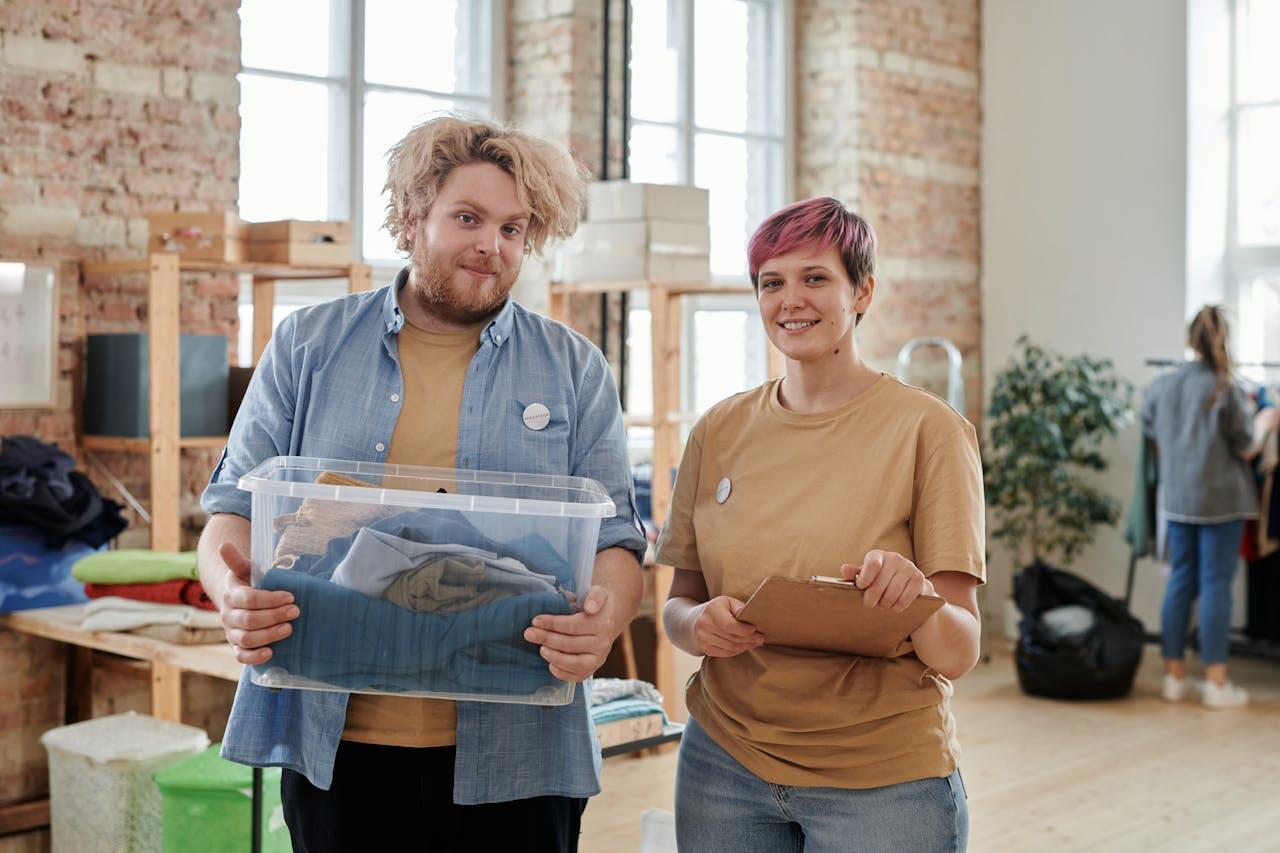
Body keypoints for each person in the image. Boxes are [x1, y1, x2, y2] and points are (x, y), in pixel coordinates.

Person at [197, 115, 646, 852]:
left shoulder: (574, 368)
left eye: (512, 227)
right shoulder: (308, 346)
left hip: (519, 751)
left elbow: (620, 543)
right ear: (411, 217)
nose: (490, 244)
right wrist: (230, 591)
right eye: (467, 217)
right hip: (338, 744)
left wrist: (604, 618)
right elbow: (231, 515)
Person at [657, 197, 985, 852]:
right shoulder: (718, 429)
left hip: (883, 783)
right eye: (770, 282)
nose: (790, 300)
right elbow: (676, 606)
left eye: (815, 277)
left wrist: (915, 599)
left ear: (861, 291)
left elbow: (960, 648)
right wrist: (700, 624)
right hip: (723, 764)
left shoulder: (929, 431)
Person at [1142, 305, 1277, 709]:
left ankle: (1174, 676)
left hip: (1178, 499)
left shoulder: (1162, 385)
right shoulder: (1227, 389)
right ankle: (1216, 682)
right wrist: (1267, 421)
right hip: (1221, 501)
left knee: (1181, 580)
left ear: (1189, 339)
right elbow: (1247, 446)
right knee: (1216, 584)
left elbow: (1150, 428)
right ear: (1224, 340)